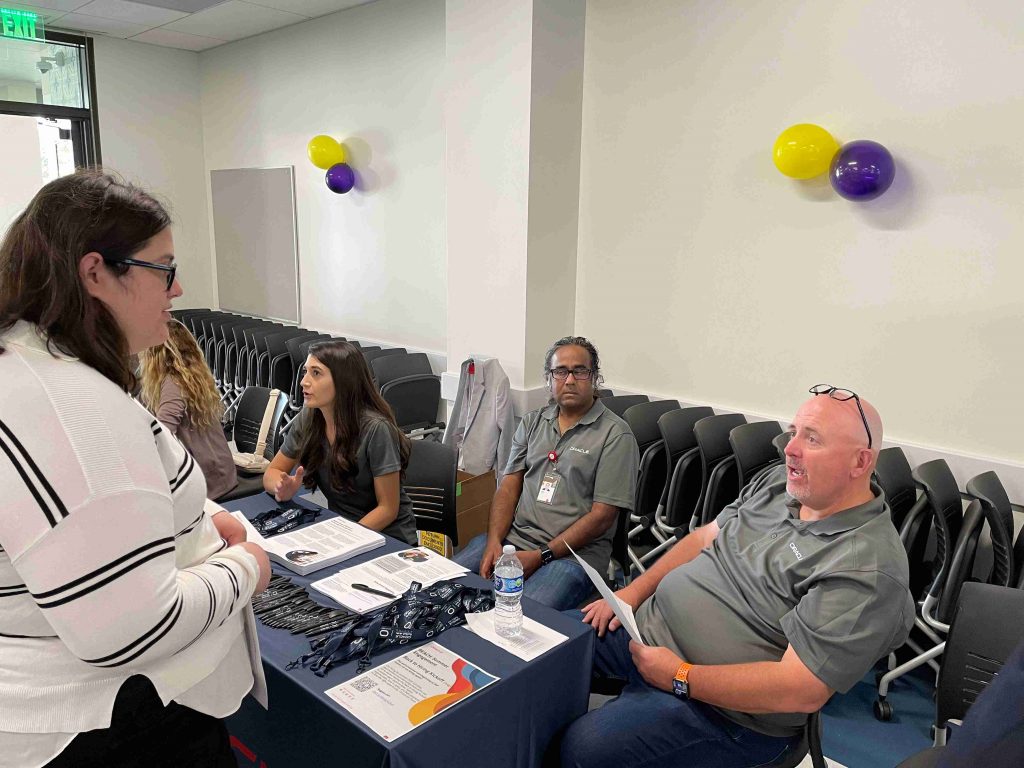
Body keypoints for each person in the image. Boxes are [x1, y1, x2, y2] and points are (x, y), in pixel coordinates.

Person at [0, 170, 272, 768]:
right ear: (96, 273)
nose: (178, 290)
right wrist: (246, 569)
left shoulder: (36, 370)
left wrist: (199, 518)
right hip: (121, 728)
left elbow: (98, 513)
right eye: (164, 269)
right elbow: (128, 631)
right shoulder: (67, 410)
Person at [560, 387, 915, 768]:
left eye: (812, 439)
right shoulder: (780, 484)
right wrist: (630, 594)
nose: (790, 449)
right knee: (541, 647)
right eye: (793, 432)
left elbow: (800, 690)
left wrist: (680, 676)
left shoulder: (866, 566)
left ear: (860, 462)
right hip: (647, 629)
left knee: (585, 750)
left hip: (728, 713)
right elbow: (703, 537)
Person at [454, 336, 639, 611]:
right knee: (444, 585)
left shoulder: (615, 435)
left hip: (574, 559)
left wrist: (541, 556)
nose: (570, 379)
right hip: (511, 543)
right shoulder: (532, 422)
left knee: (518, 615)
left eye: (580, 371)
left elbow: (602, 517)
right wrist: (494, 541)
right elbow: (508, 487)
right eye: (560, 371)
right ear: (549, 379)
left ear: (595, 378)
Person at [263, 340, 419, 546]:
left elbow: (387, 509)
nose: (304, 382)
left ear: (343, 380)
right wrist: (281, 487)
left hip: (387, 537)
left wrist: (344, 540)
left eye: (316, 373)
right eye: (305, 372)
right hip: (341, 530)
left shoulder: (376, 429)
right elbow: (271, 473)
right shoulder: (309, 418)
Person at [138, 320, 239, 501]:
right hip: (219, 469)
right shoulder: (194, 377)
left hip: (207, 479)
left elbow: (163, 435)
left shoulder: (172, 383)